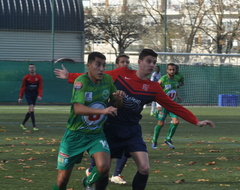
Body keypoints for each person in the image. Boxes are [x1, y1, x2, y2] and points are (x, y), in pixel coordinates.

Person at [54, 49, 215, 190]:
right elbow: (96, 75)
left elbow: (173, 105)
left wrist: (195, 120)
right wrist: (70, 76)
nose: (152, 65)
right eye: (148, 61)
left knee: (144, 168)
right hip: (111, 127)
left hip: (132, 130)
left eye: (154, 62)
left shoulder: (154, 87)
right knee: (103, 169)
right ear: (139, 62)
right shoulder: (122, 73)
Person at [52, 52, 125, 190]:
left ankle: (87, 182)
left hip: (96, 134)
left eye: (104, 65)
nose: (102, 69)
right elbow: (78, 109)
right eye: (98, 65)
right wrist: (103, 111)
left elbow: (116, 105)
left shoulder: (108, 80)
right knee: (62, 181)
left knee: (104, 167)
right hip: (75, 135)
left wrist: (119, 99)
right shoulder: (81, 82)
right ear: (89, 65)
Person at [85, 54, 130, 185]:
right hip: (108, 116)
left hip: (125, 117)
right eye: (122, 62)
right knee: (103, 146)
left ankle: (116, 174)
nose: (125, 64)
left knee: (126, 145)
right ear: (117, 65)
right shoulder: (110, 77)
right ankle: (92, 169)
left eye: (127, 62)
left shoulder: (130, 78)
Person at [151, 63, 184, 149]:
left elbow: (174, 89)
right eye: (170, 70)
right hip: (163, 105)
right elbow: (156, 91)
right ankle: (154, 141)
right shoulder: (163, 79)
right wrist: (158, 104)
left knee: (176, 122)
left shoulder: (176, 78)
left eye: (173, 70)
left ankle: (168, 139)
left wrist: (178, 96)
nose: (172, 71)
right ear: (167, 70)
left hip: (172, 105)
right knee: (161, 124)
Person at [18, 63, 43, 131]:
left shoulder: (39, 77)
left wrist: (40, 95)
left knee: (30, 111)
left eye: (33, 67)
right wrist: (20, 97)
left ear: (35, 68)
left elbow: (40, 87)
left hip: (34, 95)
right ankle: (34, 126)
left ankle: (23, 123)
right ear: (28, 69)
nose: (32, 68)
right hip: (28, 94)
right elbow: (23, 87)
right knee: (32, 109)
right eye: (30, 67)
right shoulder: (26, 77)